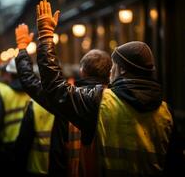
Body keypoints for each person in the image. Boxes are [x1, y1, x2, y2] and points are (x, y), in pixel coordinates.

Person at [33, 0, 173, 176]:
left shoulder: (100, 102)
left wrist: (45, 37)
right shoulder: (166, 113)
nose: (110, 71)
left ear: (121, 70)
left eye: (114, 66)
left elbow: (56, 88)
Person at [14, 24, 112, 176]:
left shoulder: (69, 100)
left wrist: (22, 48)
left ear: (82, 71)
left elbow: (30, 82)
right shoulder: (117, 100)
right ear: (109, 74)